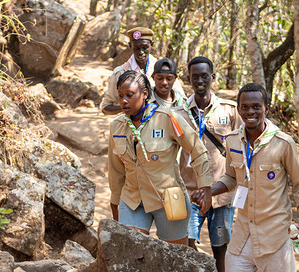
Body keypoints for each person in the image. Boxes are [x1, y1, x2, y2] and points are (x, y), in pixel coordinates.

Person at [194, 83, 299, 271]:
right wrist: (208, 191)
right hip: (242, 236)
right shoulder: (233, 140)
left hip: (275, 239)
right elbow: (231, 178)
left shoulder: (283, 143)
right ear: (239, 109)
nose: (250, 112)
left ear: (266, 108)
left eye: (256, 106)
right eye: (245, 107)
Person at [107, 70, 212, 245]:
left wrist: (206, 188)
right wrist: (114, 201)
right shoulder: (117, 126)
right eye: (120, 96)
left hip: (169, 200)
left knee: (176, 256)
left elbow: (197, 149)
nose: (124, 101)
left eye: (130, 95)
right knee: (131, 249)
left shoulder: (167, 118)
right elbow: (115, 168)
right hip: (133, 200)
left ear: (145, 93)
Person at [176, 56, 242, 272]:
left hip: (222, 194)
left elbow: (244, 146)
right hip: (192, 193)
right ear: (189, 78)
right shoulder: (179, 113)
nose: (200, 81)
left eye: (205, 76)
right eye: (195, 77)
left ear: (213, 77)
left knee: (221, 247)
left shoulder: (230, 111)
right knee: (187, 243)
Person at [100, 27, 185, 115]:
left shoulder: (163, 70)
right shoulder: (120, 73)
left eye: (145, 47)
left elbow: (182, 100)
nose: (141, 52)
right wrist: (130, 107)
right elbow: (106, 108)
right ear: (130, 46)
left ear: (152, 45)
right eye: (137, 48)